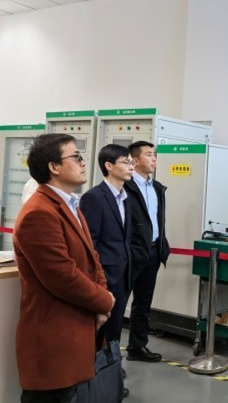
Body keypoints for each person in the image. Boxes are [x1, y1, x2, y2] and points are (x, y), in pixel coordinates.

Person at [13, 133, 115, 402]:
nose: (83, 162)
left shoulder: (69, 205)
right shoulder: (39, 212)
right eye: (76, 156)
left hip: (76, 330)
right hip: (53, 340)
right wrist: (104, 301)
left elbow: (92, 258)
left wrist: (101, 303)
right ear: (54, 166)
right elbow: (62, 276)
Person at [80, 144, 133, 399]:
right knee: (98, 331)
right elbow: (90, 244)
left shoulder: (125, 196)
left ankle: (110, 375)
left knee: (114, 329)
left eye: (132, 162)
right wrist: (97, 282)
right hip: (104, 276)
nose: (131, 166)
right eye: (126, 162)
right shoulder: (94, 197)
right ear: (109, 166)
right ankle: (93, 380)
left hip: (123, 273)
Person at [124, 141, 169, 362]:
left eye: (155, 155)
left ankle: (137, 347)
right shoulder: (125, 186)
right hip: (130, 254)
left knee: (143, 304)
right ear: (135, 160)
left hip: (152, 252)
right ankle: (106, 356)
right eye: (149, 154)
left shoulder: (157, 188)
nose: (154, 159)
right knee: (117, 304)